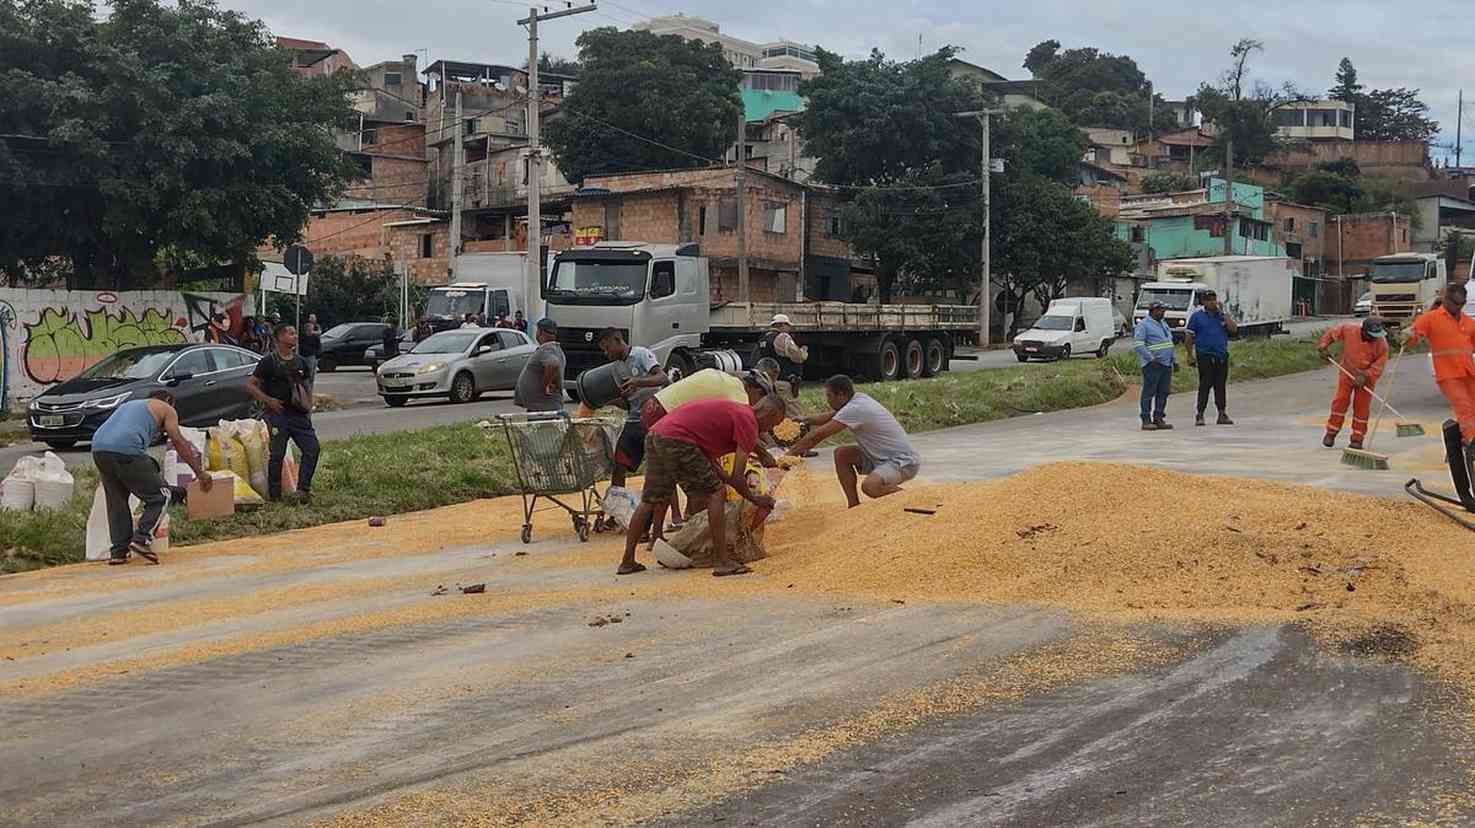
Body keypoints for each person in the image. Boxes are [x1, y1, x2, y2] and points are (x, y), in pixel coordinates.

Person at [618, 396, 784, 577]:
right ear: (770, 413)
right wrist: (754, 498)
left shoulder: (735, 412)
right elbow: (737, 475)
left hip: (657, 434)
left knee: (649, 500)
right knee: (716, 492)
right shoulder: (748, 421)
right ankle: (722, 561)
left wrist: (727, 481)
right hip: (677, 439)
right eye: (775, 423)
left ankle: (627, 561)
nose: (771, 429)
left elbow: (710, 460)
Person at [641, 368, 776, 533]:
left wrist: (729, 479)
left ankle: (658, 533)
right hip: (671, 425)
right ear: (756, 391)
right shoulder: (740, 396)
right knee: (706, 490)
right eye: (760, 400)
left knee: (666, 482)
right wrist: (764, 454)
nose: (757, 405)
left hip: (654, 411)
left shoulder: (726, 381)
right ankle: (700, 535)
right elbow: (747, 427)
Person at [90, 390, 212, 565]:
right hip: (127, 449)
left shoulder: (130, 405)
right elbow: (178, 441)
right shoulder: (167, 409)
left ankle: (118, 552)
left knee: (117, 502)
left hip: (99, 449)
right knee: (161, 495)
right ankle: (141, 540)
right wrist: (200, 473)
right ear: (169, 400)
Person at [784, 375, 920, 508]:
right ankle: (854, 506)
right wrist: (805, 420)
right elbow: (830, 416)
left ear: (841, 394)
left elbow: (817, 435)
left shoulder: (855, 409)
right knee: (842, 454)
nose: (828, 400)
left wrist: (789, 455)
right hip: (880, 458)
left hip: (902, 462)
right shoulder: (857, 399)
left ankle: (914, 500)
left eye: (829, 396)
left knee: (870, 487)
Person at [247, 323, 321, 503]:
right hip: (277, 415)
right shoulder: (268, 362)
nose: (295, 336)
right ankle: (275, 496)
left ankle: (303, 490)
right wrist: (268, 400)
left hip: (299, 415)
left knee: (312, 448)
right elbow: (250, 385)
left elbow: (307, 386)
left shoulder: (301, 362)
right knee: (277, 455)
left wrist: (308, 405)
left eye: (295, 333)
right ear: (279, 337)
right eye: (290, 333)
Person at [1406, 282, 1475, 449]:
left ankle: (1461, 441)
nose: (1458, 307)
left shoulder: (1468, 322)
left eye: (1461, 304)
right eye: (1455, 303)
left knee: (1472, 407)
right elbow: (1414, 333)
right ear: (1446, 300)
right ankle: (1472, 441)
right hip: (1448, 374)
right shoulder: (1432, 318)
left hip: (1469, 372)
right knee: (1464, 407)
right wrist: (1407, 336)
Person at [599, 328, 668, 494]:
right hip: (634, 420)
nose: (606, 353)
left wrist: (638, 382)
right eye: (604, 350)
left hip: (655, 417)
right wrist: (611, 402)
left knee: (663, 468)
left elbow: (662, 378)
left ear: (617, 340)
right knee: (619, 464)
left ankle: (675, 514)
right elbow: (627, 402)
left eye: (607, 348)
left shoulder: (641, 354)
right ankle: (617, 508)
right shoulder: (615, 368)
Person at [1319, 317, 1390, 450]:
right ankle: (1331, 433)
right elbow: (1331, 334)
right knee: (1340, 401)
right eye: (1371, 336)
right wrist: (1323, 346)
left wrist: (1366, 375)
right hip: (1347, 371)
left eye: (1377, 336)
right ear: (1363, 331)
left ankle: (1357, 438)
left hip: (1366, 378)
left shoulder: (1382, 344)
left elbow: (1379, 366)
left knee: (1362, 407)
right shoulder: (1349, 329)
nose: (1375, 339)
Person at [1184, 290, 1237, 427]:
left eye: (1213, 299)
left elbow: (1233, 330)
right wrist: (1190, 355)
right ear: (1203, 302)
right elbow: (1189, 337)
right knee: (1205, 386)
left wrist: (1224, 314)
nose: (1211, 302)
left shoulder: (1222, 316)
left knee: (1220, 386)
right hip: (1205, 356)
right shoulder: (1197, 317)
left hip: (1221, 356)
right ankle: (1200, 414)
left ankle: (1221, 413)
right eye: (1208, 300)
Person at [1133, 301, 1177, 431]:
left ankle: (1158, 418)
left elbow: (1169, 342)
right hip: (1152, 364)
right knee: (1149, 392)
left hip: (1166, 363)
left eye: (1163, 310)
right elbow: (1138, 345)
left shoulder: (1163, 324)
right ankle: (1146, 419)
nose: (1162, 312)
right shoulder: (1144, 325)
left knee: (1163, 392)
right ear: (1152, 311)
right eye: (1160, 310)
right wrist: (1151, 358)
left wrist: (1174, 360)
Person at [514, 318, 566, 413]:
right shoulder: (554, 348)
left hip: (543, 408)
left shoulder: (547, 349)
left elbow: (553, 364)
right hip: (540, 407)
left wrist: (545, 385)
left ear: (540, 332)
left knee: (544, 428)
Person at [757, 314, 808, 394]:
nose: (789, 328)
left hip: (769, 380)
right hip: (783, 381)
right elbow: (797, 357)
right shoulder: (782, 337)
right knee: (791, 406)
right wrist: (803, 352)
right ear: (782, 324)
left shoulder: (764, 338)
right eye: (788, 325)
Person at [300, 313, 322, 382]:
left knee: (312, 371)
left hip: (314, 352)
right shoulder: (306, 327)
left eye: (313, 318)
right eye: (310, 318)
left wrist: (314, 332)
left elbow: (319, 332)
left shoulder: (317, 326)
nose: (312, 319)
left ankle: (309, 386)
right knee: (307, 371)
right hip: (306, 353)